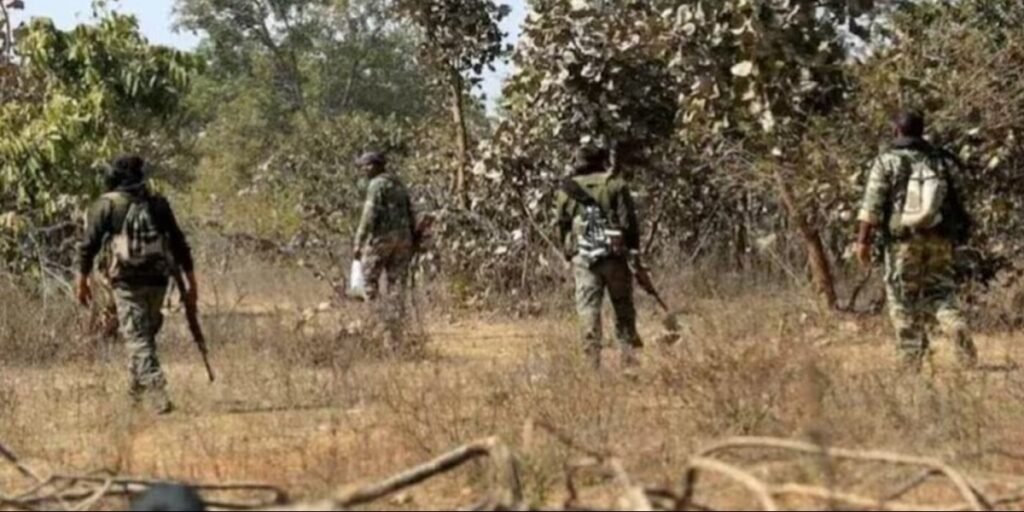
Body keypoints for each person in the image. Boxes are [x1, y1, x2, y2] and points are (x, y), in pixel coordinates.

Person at [855, 110, 978, 371]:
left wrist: (863, 241)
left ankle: (910, 358)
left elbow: (872, 205)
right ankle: (955, 325)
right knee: (941, 290)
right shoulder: (940, 160)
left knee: (902, 297)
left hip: (903, 242)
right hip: (939, 239)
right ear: (921, 131)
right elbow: (959, 198)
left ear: (896, 130)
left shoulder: (886, 161)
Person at [77, 155, 197, 414]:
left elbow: (88, 246)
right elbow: (179, 243)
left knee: (137, 338)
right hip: (159, 281)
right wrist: (191, 283)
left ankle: (157, 392)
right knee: (144, 337)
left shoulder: (107, 205)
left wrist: (82, 280)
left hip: (126, 282)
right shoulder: (158, 204)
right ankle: (134, 397)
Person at [555, 145, 643, 369]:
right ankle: (628, 362)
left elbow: (562, 226)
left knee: (588, 310)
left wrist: (568, 254)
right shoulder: (616, 185)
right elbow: (628, 224)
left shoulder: (566, 189)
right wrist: (633, 252)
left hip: (584, 259)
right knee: (623, 307)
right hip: (615, 257)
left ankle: (591, 363)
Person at [353, 152, 417, 352]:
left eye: (365, 166)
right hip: (403, 241)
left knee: (368, 282)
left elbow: (369, 215)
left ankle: (380, 323)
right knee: (396, 287)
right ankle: (395, 335)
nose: (363, 170)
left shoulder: (376, 185)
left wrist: (358, 242)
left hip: (382, 240)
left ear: (375, 166)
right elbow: (411, 213)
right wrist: (413, 240)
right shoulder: (398, 184)